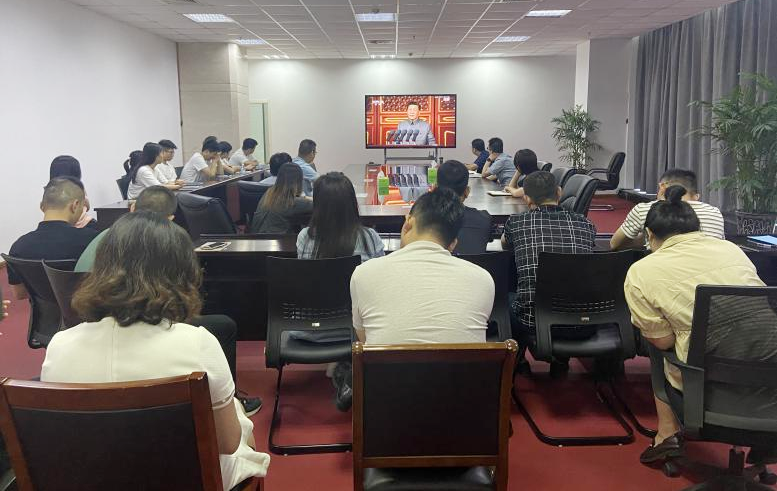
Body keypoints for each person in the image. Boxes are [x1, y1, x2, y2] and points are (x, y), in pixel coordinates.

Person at [39, 212, 270, 490]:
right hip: (182, 479)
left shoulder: (59, 345)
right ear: (183, 273)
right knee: (243, 432)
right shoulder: (198, 343)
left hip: (93, 479)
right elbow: (228, 444)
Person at [73, 186, 262, 415]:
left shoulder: (61, 348)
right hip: (143, 320)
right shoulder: (196, 343)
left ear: (132, 207)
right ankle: (234, 400)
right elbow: (230, 438)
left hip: (94, 320)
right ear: (171, 218)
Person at [624, 185, 764, 464]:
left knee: (656, 345)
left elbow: (663, 342)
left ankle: (666, 434)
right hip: (767, 373)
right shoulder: (731, 250)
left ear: (649, 234)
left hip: (709, 383)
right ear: (696, 228)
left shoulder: (642, 271)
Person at [351, 187, 494, 344]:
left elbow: (365, 340)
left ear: (408, 224)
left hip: (388, 361)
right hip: (461, 362)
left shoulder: (363, 274)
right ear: (453, 244)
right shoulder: (483, 280)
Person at [501, 171, 596, 371]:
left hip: (533, 322)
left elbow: (505, 245)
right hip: (583, 321)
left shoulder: (516, 222)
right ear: (559, 192)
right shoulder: (586, 224)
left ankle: (517, 361)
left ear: (527, 199)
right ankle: (560, 360)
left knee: (505, 297)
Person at [7, 177, 99, 299]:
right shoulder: (92, 240)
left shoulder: (18, 246)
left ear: (42, 207)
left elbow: (19, 294)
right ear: (75, 206)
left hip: (43, 311)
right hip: (84, 308)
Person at [611, 169, 724, 250]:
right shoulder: (715, 212)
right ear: (696, 196)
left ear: (662, 187)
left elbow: (615, 244)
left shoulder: (645, 209)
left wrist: (647, 240)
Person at [297, 172, 384, 262]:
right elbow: (381, 268)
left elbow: (304, 269)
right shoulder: (369, 237)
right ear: (352, 203)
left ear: (317, 206)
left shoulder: (305, 237)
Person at [437, 160, 491, 254]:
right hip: (475, 264)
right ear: (467, 191)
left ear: (435, 189)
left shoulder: (424, 221)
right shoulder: (484, 218)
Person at [250, 163, 312, 234]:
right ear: (299, 182)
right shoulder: (291, 202)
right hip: (277, 240)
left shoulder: (269, 193)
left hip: (255, 237)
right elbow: (317, 205)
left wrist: (304, 197)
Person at [49, 155, 93, 228]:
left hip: (56, 226)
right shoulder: (79, 189)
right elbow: (87, 206)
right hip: (83, 225)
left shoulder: (50, 192)